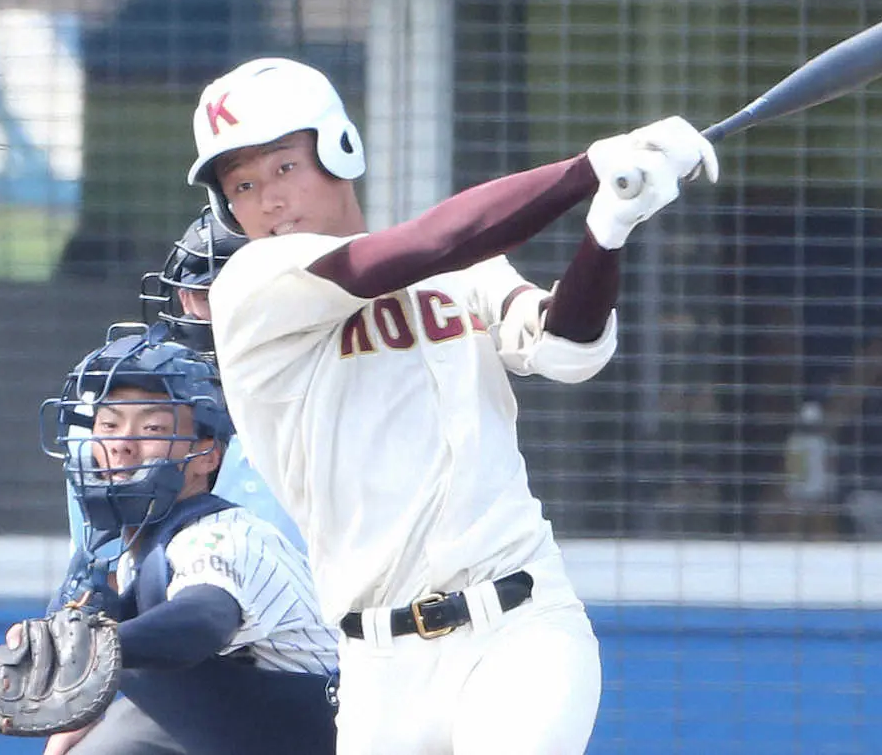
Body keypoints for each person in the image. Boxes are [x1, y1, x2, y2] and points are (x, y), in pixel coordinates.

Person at [187, 56, 718, 753]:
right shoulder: (252, 287)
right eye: (243, 185)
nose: (268, 201)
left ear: (339, 148)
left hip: (519, 624)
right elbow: (429, 243)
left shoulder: (462, 276)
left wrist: (607, 231)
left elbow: (568, 349)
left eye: (284, 167)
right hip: (380, 666)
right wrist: (588, 167)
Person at [40, 331, 339, 754]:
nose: (122, 444)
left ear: (206, 455)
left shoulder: (224, 535)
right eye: (108, 424)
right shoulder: (119, 544)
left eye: (152, 427)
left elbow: (202, 620)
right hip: (224, 728)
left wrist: (97, 648)